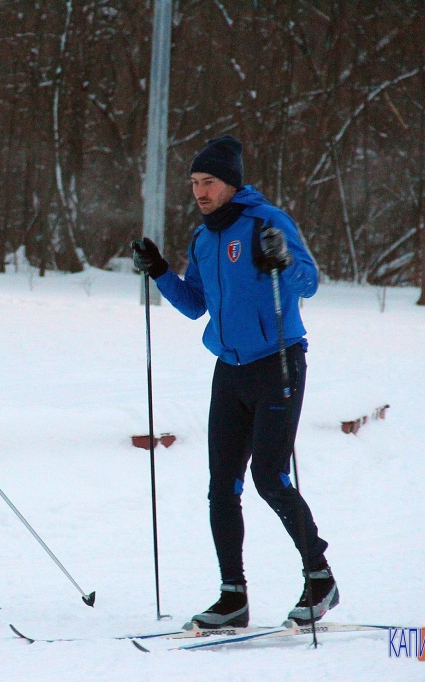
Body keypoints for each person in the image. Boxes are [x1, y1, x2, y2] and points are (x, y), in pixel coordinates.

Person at [132, 135, 337, 629]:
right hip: (230, 372)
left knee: (270, 477)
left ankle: (320, 577)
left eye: (208, 183)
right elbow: (194, 304)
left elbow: (309, 282)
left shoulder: (267, 221)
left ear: (231, 184)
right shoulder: (203, 239)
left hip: (277, 364)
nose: (200, 192)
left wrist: (282, 259)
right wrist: (159, 270)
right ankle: (233, 597)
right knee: (221, 487)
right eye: (195, 184)